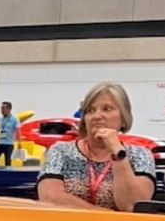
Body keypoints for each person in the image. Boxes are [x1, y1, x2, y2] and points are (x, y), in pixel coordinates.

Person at [35, 83, 156, 211]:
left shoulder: (140, 155)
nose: (96, 116)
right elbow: (50, 198)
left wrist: (117, 152)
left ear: (123, 118)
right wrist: (102, 215)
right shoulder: (60, 151)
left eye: (107, 109)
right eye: (90, 110)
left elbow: (132, 206)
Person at [0, 101, 19, 166]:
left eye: (3, 108)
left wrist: (19, 142)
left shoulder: (14, 119)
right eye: (1, 108)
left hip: (9, 144)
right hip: (0, 143)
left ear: (9, 109)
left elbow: (18, 131)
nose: (2, 110)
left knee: (8, 161)